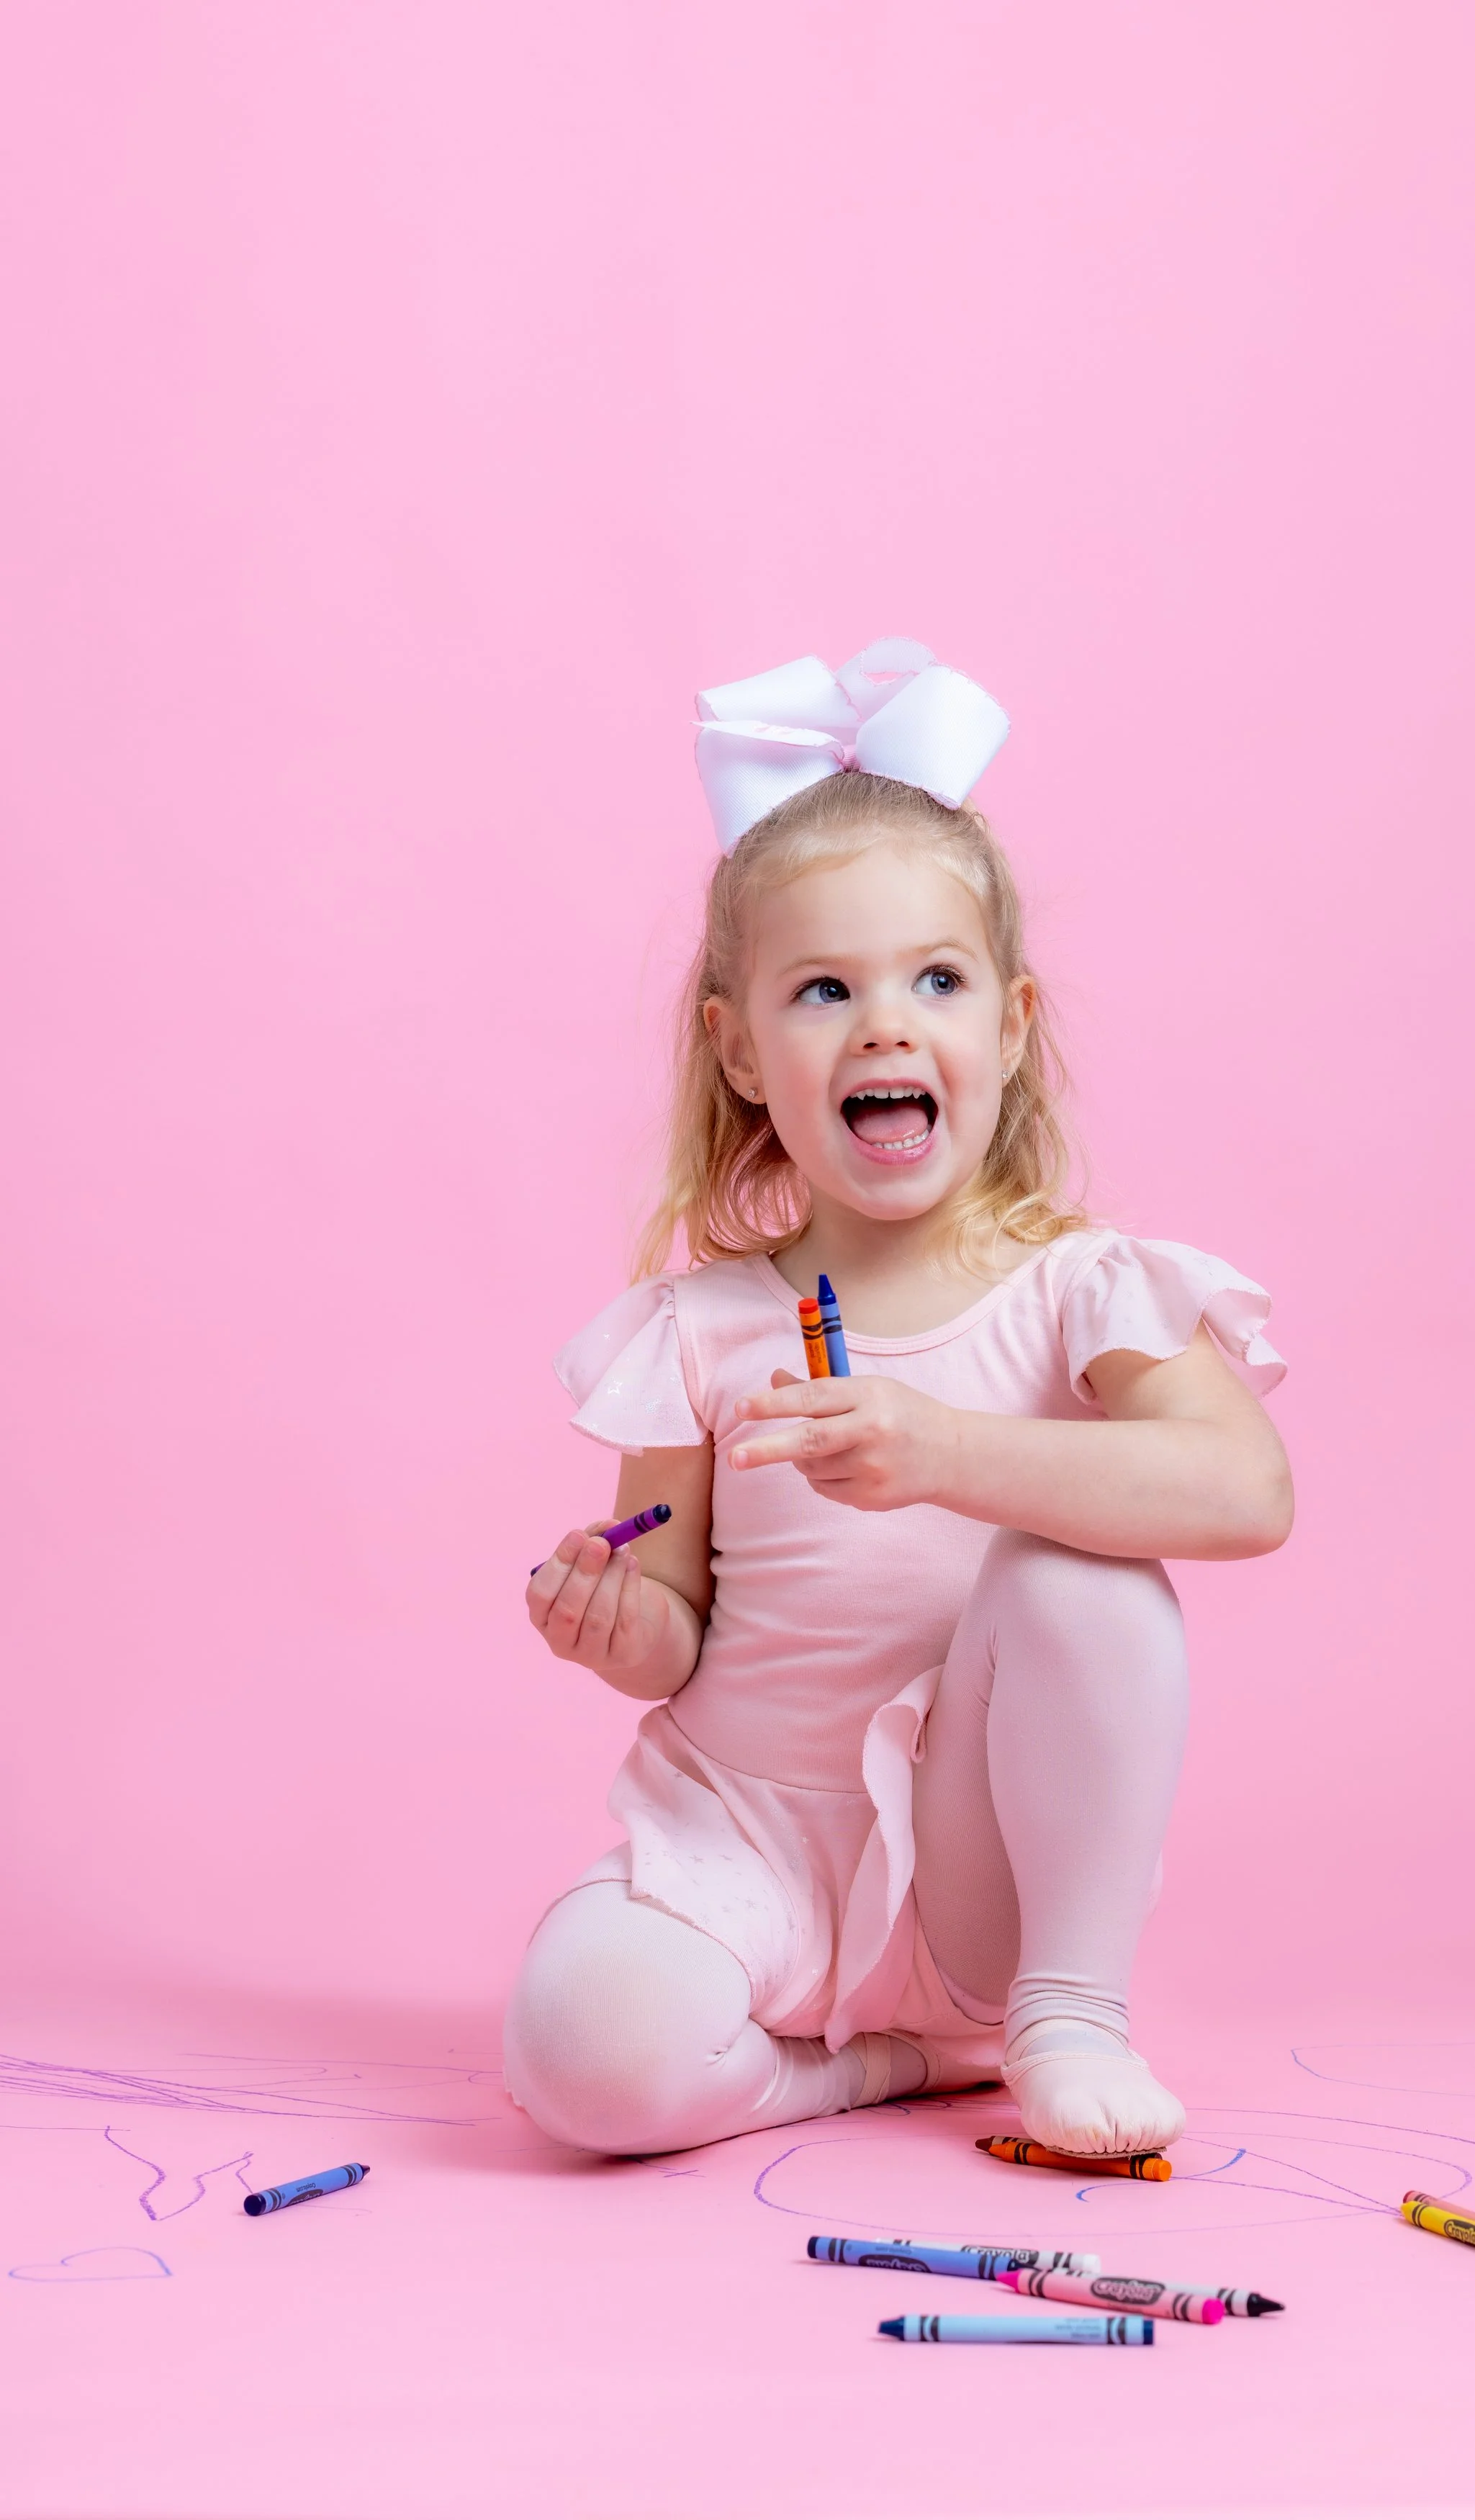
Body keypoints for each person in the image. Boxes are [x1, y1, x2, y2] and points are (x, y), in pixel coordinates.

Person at [504, 641, 1292, 2161]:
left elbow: (1245, 1491)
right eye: (822, 989)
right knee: (579, 2049)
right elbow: (671, 1620)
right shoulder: (702, 1328)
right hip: (747, 1846)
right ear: (740, 1050)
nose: (883, 1026)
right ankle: (866, 2072)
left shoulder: (1081, 1286)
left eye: (935, 980)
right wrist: (616, 1621)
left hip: (979, 1869)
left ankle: (1061, 2013)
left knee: (1083, 1563)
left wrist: (944, 1453)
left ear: (1006, 1025)